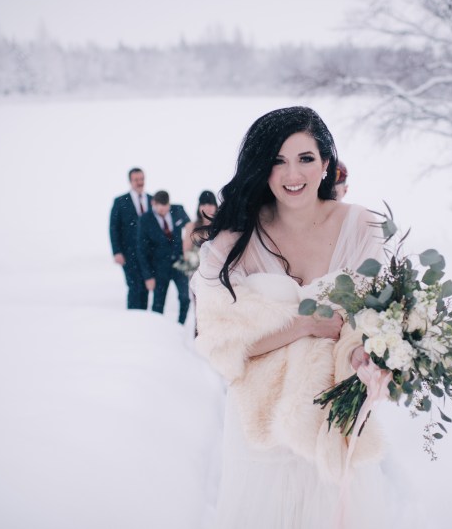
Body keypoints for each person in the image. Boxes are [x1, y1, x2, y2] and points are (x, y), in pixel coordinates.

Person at [192, 107, 389, 528]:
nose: (291, 173)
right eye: (277, 160)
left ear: (326, 164)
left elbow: (378, 316)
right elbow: (218, 338)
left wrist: (361, 353)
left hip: (332, 418)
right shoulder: (238, 237)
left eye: (304, 158)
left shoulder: (362, 226)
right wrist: (304, 325)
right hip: (260, 424)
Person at [137, 190, 191, 323]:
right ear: (153, 203)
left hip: (180, 264)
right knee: (158, 303)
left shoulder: (178, 210)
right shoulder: (145, 219)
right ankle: (158, 330)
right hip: (159, 268)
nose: (164, 210)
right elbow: (141, 250)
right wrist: (148, 276)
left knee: (185, 298)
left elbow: (190, 228)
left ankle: (180, 325)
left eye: (166, 206)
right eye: (161, 207)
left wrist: (188, 252)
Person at [109, 167, 151, 310]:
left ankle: (144, 318)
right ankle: (133, 320)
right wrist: (117, 252)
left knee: (146, 287)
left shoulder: (152, 200)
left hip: (148, 254)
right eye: (136, 180)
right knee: (134, 286)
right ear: (130, 181)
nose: (140, 182)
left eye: (142, 179)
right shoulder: (120, 202)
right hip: (128, 253)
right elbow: (113, 228)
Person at [175, 190, 218, 277]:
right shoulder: (191, 227)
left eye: (210, 204)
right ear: (199, 207)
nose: (207, 207)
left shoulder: (222, 227)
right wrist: (198, 258)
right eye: (203, 204)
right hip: (198, 274)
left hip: (218, 274)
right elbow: (186, 253)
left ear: (216, 207)